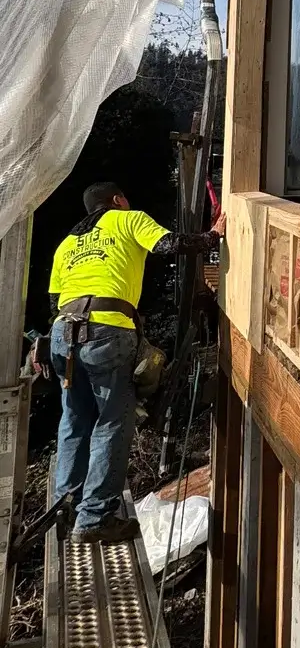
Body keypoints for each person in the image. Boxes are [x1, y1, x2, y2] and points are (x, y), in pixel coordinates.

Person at [35, 180, 223, 544]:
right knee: (111, 422)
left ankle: (64, 507)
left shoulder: (68, 242)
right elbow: (170, 244)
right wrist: (213, 236)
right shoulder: (128, 218)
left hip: (62, 335)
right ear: (118, 200)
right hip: (106, 331)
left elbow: (55, 300)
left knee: (74, 419)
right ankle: (95, 517)